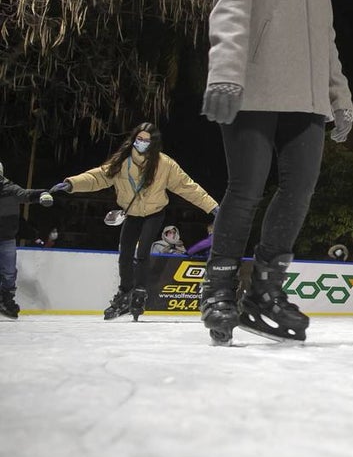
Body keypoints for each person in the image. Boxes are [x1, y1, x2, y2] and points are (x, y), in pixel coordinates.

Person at [198, 0, 353, 345]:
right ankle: (219, 288)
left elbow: (326, 38)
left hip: (307, 100)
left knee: (300, 190)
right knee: (245, 190)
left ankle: (265, 290)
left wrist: (339, 97)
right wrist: (224, 74)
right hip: (255, 88)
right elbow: (230, 5)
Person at [50, 124, 218, 321]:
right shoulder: (122, 162)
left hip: (155, 213)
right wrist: (72, 184)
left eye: (147, 140)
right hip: (132, 214)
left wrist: (212, 206)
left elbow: (187, 187)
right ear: (134, 139)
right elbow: (98, 177)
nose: (142, 143)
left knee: (142, 252)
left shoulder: (165, 164)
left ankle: (139, 291)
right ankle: (125, 292)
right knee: (125, 253)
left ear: (153, 142)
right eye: (140, 139)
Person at [0, 160, 53, 320]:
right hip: (8, 238)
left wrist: (43, 194)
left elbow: (27, 194)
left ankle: (6, 300)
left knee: (9, 273)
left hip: (7, 238)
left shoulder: (10, 190)